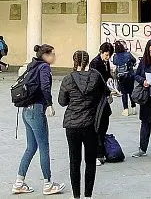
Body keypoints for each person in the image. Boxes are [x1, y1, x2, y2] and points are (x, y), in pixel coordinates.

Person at [12, 44, 65, 195]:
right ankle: (48, 184)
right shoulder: (44, 67)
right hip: (36, 110)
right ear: (45, 55)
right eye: (52, 54)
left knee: (31, 147)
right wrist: (49, 104)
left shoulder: (32, 65)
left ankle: (19, 182)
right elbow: (45, 87)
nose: (54, 56)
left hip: (26, 111)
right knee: (44, 147)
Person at [58, 51, 106, 199]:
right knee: (90, 161)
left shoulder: (68, 79)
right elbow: (103, 94)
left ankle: (76, 195)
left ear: (74, 61)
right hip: (90, 124)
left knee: (74, 161)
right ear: (88, 61)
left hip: (72, 125)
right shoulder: (96, 77)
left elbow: (62, 102)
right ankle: (88, 195)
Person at [89, 42, 114, 166]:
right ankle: (97, 154)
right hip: (97, 100)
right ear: (101, 52)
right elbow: (96, 81)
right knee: (98, 126)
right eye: (106, 55)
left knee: (104, 124)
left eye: (109, 55)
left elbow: (106, 75)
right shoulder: (95, 63)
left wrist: (110, 78)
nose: (107, 57)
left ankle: (101, 152)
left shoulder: (106, 62)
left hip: (104, 98)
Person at [113, 41, 137, 117]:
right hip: (130, 76)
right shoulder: (128, 54)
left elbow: (114, 63)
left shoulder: (115, 56)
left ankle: (126, 110)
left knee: (124, 93)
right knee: (131, 92)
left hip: (121, 77)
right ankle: (133, 107)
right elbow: (134, 60)